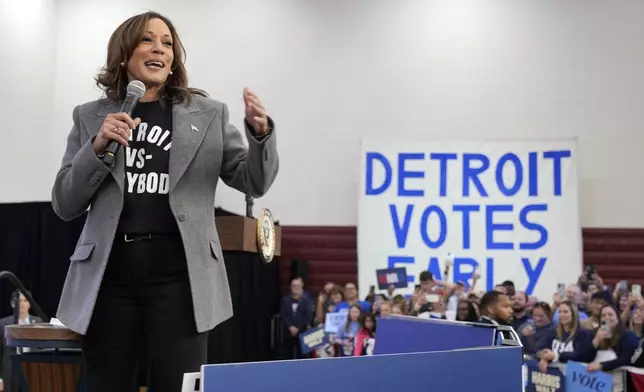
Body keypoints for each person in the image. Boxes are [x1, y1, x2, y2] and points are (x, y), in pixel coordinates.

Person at [50, 11, 278, 392]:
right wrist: (97, 147)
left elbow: (253, 180)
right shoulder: (91, 117)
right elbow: (64, 203)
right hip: (110, 278)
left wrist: (261, 135)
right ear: (124, 54)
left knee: (179, 385)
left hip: (181, 277)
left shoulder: (208, 115)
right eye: (147, 40)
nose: (159, 48)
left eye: (167, 43)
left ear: (174, 61)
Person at [0, 291, 42, 392]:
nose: (22, 304)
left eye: (25, 301)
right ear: (12, 304)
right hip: (10, 372)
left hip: (32, 371)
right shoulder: (3, 324)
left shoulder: (39, 322)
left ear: (30, 303)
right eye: (19, 301)